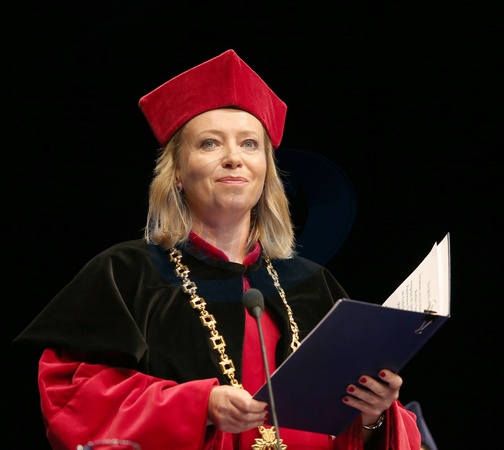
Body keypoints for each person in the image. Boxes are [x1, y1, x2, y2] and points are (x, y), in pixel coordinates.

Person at [14, 49, 421, 450]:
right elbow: (73, 396)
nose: (233, 159)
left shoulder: (313, 284)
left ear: (266, 171)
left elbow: (357, 423)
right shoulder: (127, 273)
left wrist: (374, 416)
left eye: (249, 144)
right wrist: (199, 405)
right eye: (210, 144)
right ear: (176, 172)